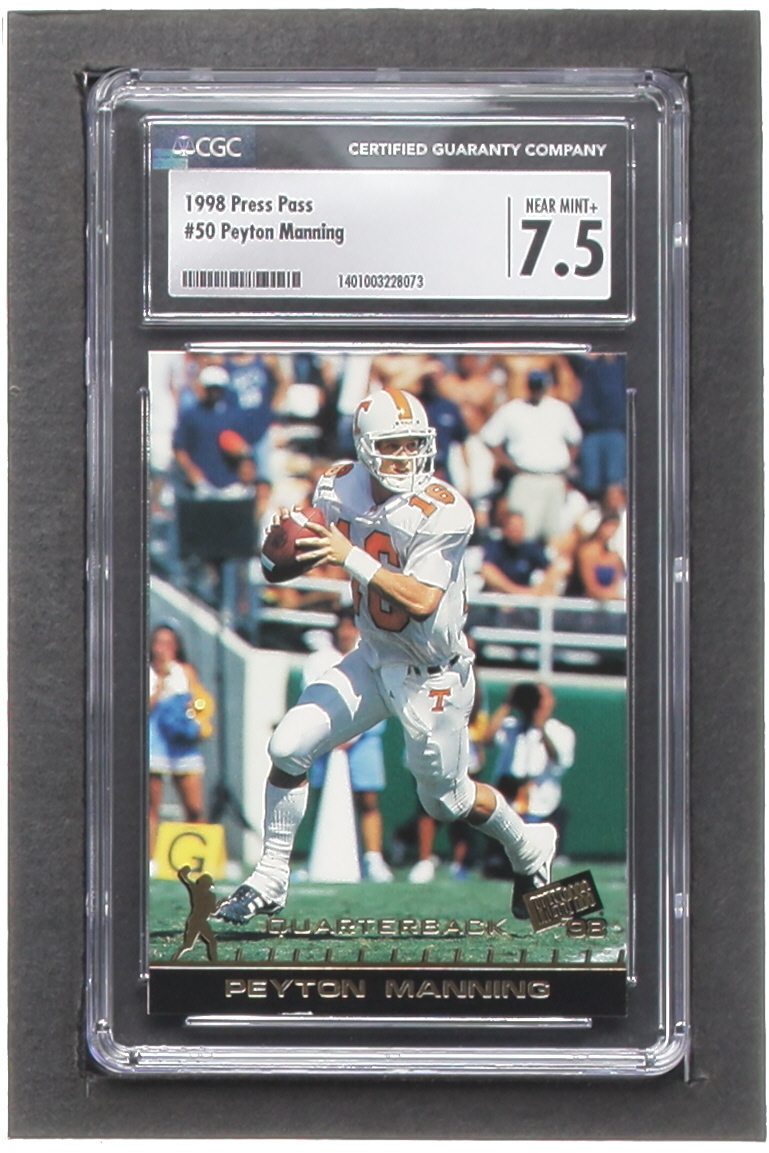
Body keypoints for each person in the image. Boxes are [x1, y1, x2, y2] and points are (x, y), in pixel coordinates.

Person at [215, 386, 557, 925]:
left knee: (448, 801)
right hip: (373, 658)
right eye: (392, 445)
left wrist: (349, 555)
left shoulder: (445, 511)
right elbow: (290, 556)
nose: (404, 457)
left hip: (434, 676)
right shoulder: (338, 484)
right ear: (364, 446)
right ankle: (271, 875)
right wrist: (280, 543)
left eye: (413, 444)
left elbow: (422, 600)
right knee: (289, 745)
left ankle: (529, 846)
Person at [303, 609, 392, 882]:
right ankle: (315, 854)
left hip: (365, 735)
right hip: (326, 738)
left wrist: (352, 734)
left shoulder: (372, 655)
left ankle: (374, 859)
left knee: (368, 799)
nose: (346, 633)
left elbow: (375, 697)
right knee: (322, 795)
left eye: (351, 627)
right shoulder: (319, 660)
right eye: (342, 627)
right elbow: (314, 697)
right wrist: (332, 734)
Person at [481, 369, 583, 542]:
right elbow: (489, 438)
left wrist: (567, 463)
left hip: (553, 478)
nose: (537, 391)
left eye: (540, 386)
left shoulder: (560, 409)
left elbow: (574, 439)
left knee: (553, 533)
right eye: (534, 386)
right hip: (525, 477)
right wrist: (508, 463)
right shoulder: (512, 409)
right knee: (523, 532)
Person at [484, 683, 575, 877]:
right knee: (499, 869)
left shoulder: (560, 730)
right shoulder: (511, 727)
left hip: (541, 808)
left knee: (532, 868)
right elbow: (486, 739)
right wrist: (508, 703)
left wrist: (540, 725)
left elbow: (559, 760)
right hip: (509, 806)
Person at [148, 624, 208, 858]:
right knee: (151, 806)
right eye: (159, 643)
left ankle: (198, 856)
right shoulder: (147, 672)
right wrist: (160, 680)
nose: (163, 649)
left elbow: (200, 700)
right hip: (155, 740)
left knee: (194, 806)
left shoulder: (185, 671)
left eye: (169, 644)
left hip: (181, 742)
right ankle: (150, 858)